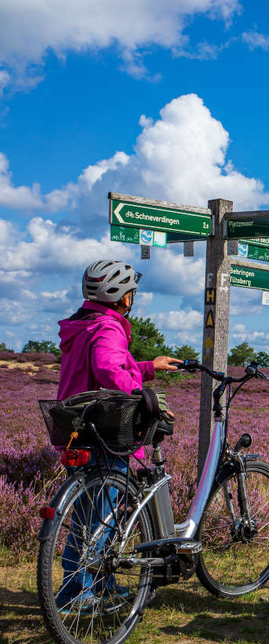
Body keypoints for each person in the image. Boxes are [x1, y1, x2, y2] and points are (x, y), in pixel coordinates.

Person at [55, 260, 182, 610]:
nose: (132, 298)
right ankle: (81, 594)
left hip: (76, 428)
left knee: (86, 517)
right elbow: (108, 368)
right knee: (103, 518)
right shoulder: (108, 327)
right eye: (131, 292)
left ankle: (95, 586)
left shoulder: (83, 325)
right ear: (122, 297)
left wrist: (147, 368)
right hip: (105, 430)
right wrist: (146, 399)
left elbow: (102, 366)